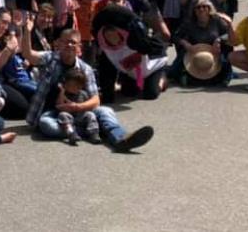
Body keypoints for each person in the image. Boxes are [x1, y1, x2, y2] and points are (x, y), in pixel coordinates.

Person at [22, 21, 154, 153]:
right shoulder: (49, 58)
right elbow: (28, 54)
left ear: (79, 47)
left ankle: (121, 138)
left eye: (73, 43)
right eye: (66, 41)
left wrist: (77, 107)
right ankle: (94, 129)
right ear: (59, 44)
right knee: (45, 124)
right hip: (54, 113)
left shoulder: (86, 69)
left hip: (80, 112)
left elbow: (95, 100)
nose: (69, 45)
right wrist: (27, 31)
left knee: (106, 111)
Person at [55, 68, 100, 146]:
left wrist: (80, 107)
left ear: (81, 86)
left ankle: (93, 133)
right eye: (69, 85)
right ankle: (71, 133)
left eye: (76, 86)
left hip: (80, 116)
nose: (72, 88)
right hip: (69, 118)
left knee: (90, 114)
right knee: (62, 115)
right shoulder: (63, 94)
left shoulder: (83, 94)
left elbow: (88, 106)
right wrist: (62, 92)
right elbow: (59, 105)